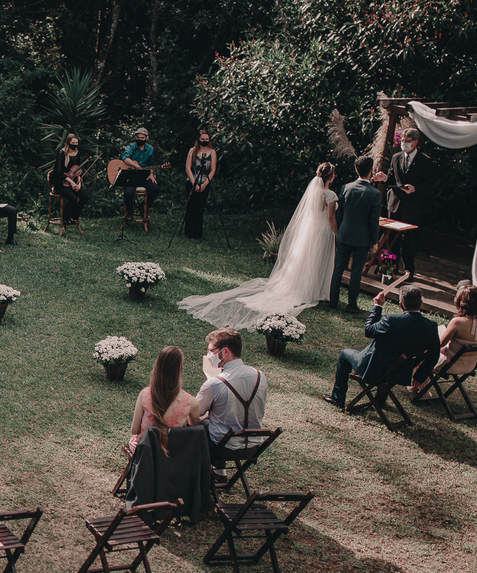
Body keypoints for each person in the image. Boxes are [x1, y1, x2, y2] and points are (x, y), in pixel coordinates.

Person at [178, 163, 337, 329]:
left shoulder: (313, 193)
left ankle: (307, 287)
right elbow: (331, 218)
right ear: (331, 177)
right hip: (323, 231)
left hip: (309, 231)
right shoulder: (330, 195)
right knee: (317, 259)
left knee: (308, 259)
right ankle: (314, 290)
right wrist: (337, 233)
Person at [323, 286, 439, 408]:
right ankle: (379, 401)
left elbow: (368, 330)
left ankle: (338, 398)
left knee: (344, 354)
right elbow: (434, 354)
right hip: (400, 373)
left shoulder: (391, 320)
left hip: (373, 369)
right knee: (390, 356)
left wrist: (377, 306)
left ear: (401, 304)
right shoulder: (430, 326)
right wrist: (420, 376)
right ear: (421, 303)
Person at [197, 328, 269, 462]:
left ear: (225, 351)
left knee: (192, 423)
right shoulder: (260, 375)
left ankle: (198, 471)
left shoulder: (215, 383)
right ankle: (220, 471)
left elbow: (196, 411)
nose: (208, 355)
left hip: (224, 448)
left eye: (211, 351)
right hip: (253, 447)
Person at [409, 284, 477, 392]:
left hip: (449, 364)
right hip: (470, 365)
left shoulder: (458, 322)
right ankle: (420, 386)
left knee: (427, 350)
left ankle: (420, 387)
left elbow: (440, 344)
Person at [374, 128, 434, 276]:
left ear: (415, 142)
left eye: (407, 141)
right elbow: (391, 177)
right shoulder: (396, 157)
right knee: (391, 237)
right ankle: (391, 267)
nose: (404, 143)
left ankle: (409, 270)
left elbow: (429, 184)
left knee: (409, 239)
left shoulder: (425, 161)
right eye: (402, 141)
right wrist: (384, 178)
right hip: (395, 203)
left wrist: (415, 189)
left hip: (412, 205)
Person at [328, 156, 383, 312]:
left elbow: (340, 213)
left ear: (356, 170)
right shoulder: (375, 193)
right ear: (371, 171)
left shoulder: (346, 187)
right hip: (362, 238)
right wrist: (374, 241)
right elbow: (373, 221)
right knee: (356, 271)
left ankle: (333, 300)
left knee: (338, 268)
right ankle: (351, 304)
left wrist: (339, 231)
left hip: (344, 233)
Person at [129, 346, 201, 453]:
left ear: (157, 367)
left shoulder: (145, 395)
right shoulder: (191, 403)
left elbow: (135, 430)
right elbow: (194, 429)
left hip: (145, 452)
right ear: (180, 369)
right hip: (173, 453)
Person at [119, 128, 161, 229]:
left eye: (142, 138)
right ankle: (129, 210)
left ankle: (143, 207)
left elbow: (151, 164)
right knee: (128, 192)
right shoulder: (131, 146)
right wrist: (136, 166)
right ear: (135, 137)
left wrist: (151, 173)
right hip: (131, 175)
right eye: (138, 137)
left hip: (144, 175)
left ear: (146, 138)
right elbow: (125, 158)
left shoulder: (150, 149)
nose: (140, 139)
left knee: (155, 189)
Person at [51, 133, 89, 231]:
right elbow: (58, 172)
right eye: (73, 143)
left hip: (74, 181)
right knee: (73, 198)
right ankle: (65, 218)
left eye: (76, 143)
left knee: (85, 197)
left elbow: (78, 170)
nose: (75, 145)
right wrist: (71, 183)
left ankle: (74, 216)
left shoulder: (77, 153)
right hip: (61, 182)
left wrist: (79, 183)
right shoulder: (61, 153)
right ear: (68, 143)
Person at [183, 129, 217, 239]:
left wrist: (205, 184)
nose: (205, 141)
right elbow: (187, 168)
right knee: (191, 206)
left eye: (207, 139)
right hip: (192, 181)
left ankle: (198, 233)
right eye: (203, 139)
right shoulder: (192, 151)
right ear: (199, 139)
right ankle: (189, 232)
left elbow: (213, 170)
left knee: (200, 207)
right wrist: (194, 184)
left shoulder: (212, 152)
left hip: (205, 182)